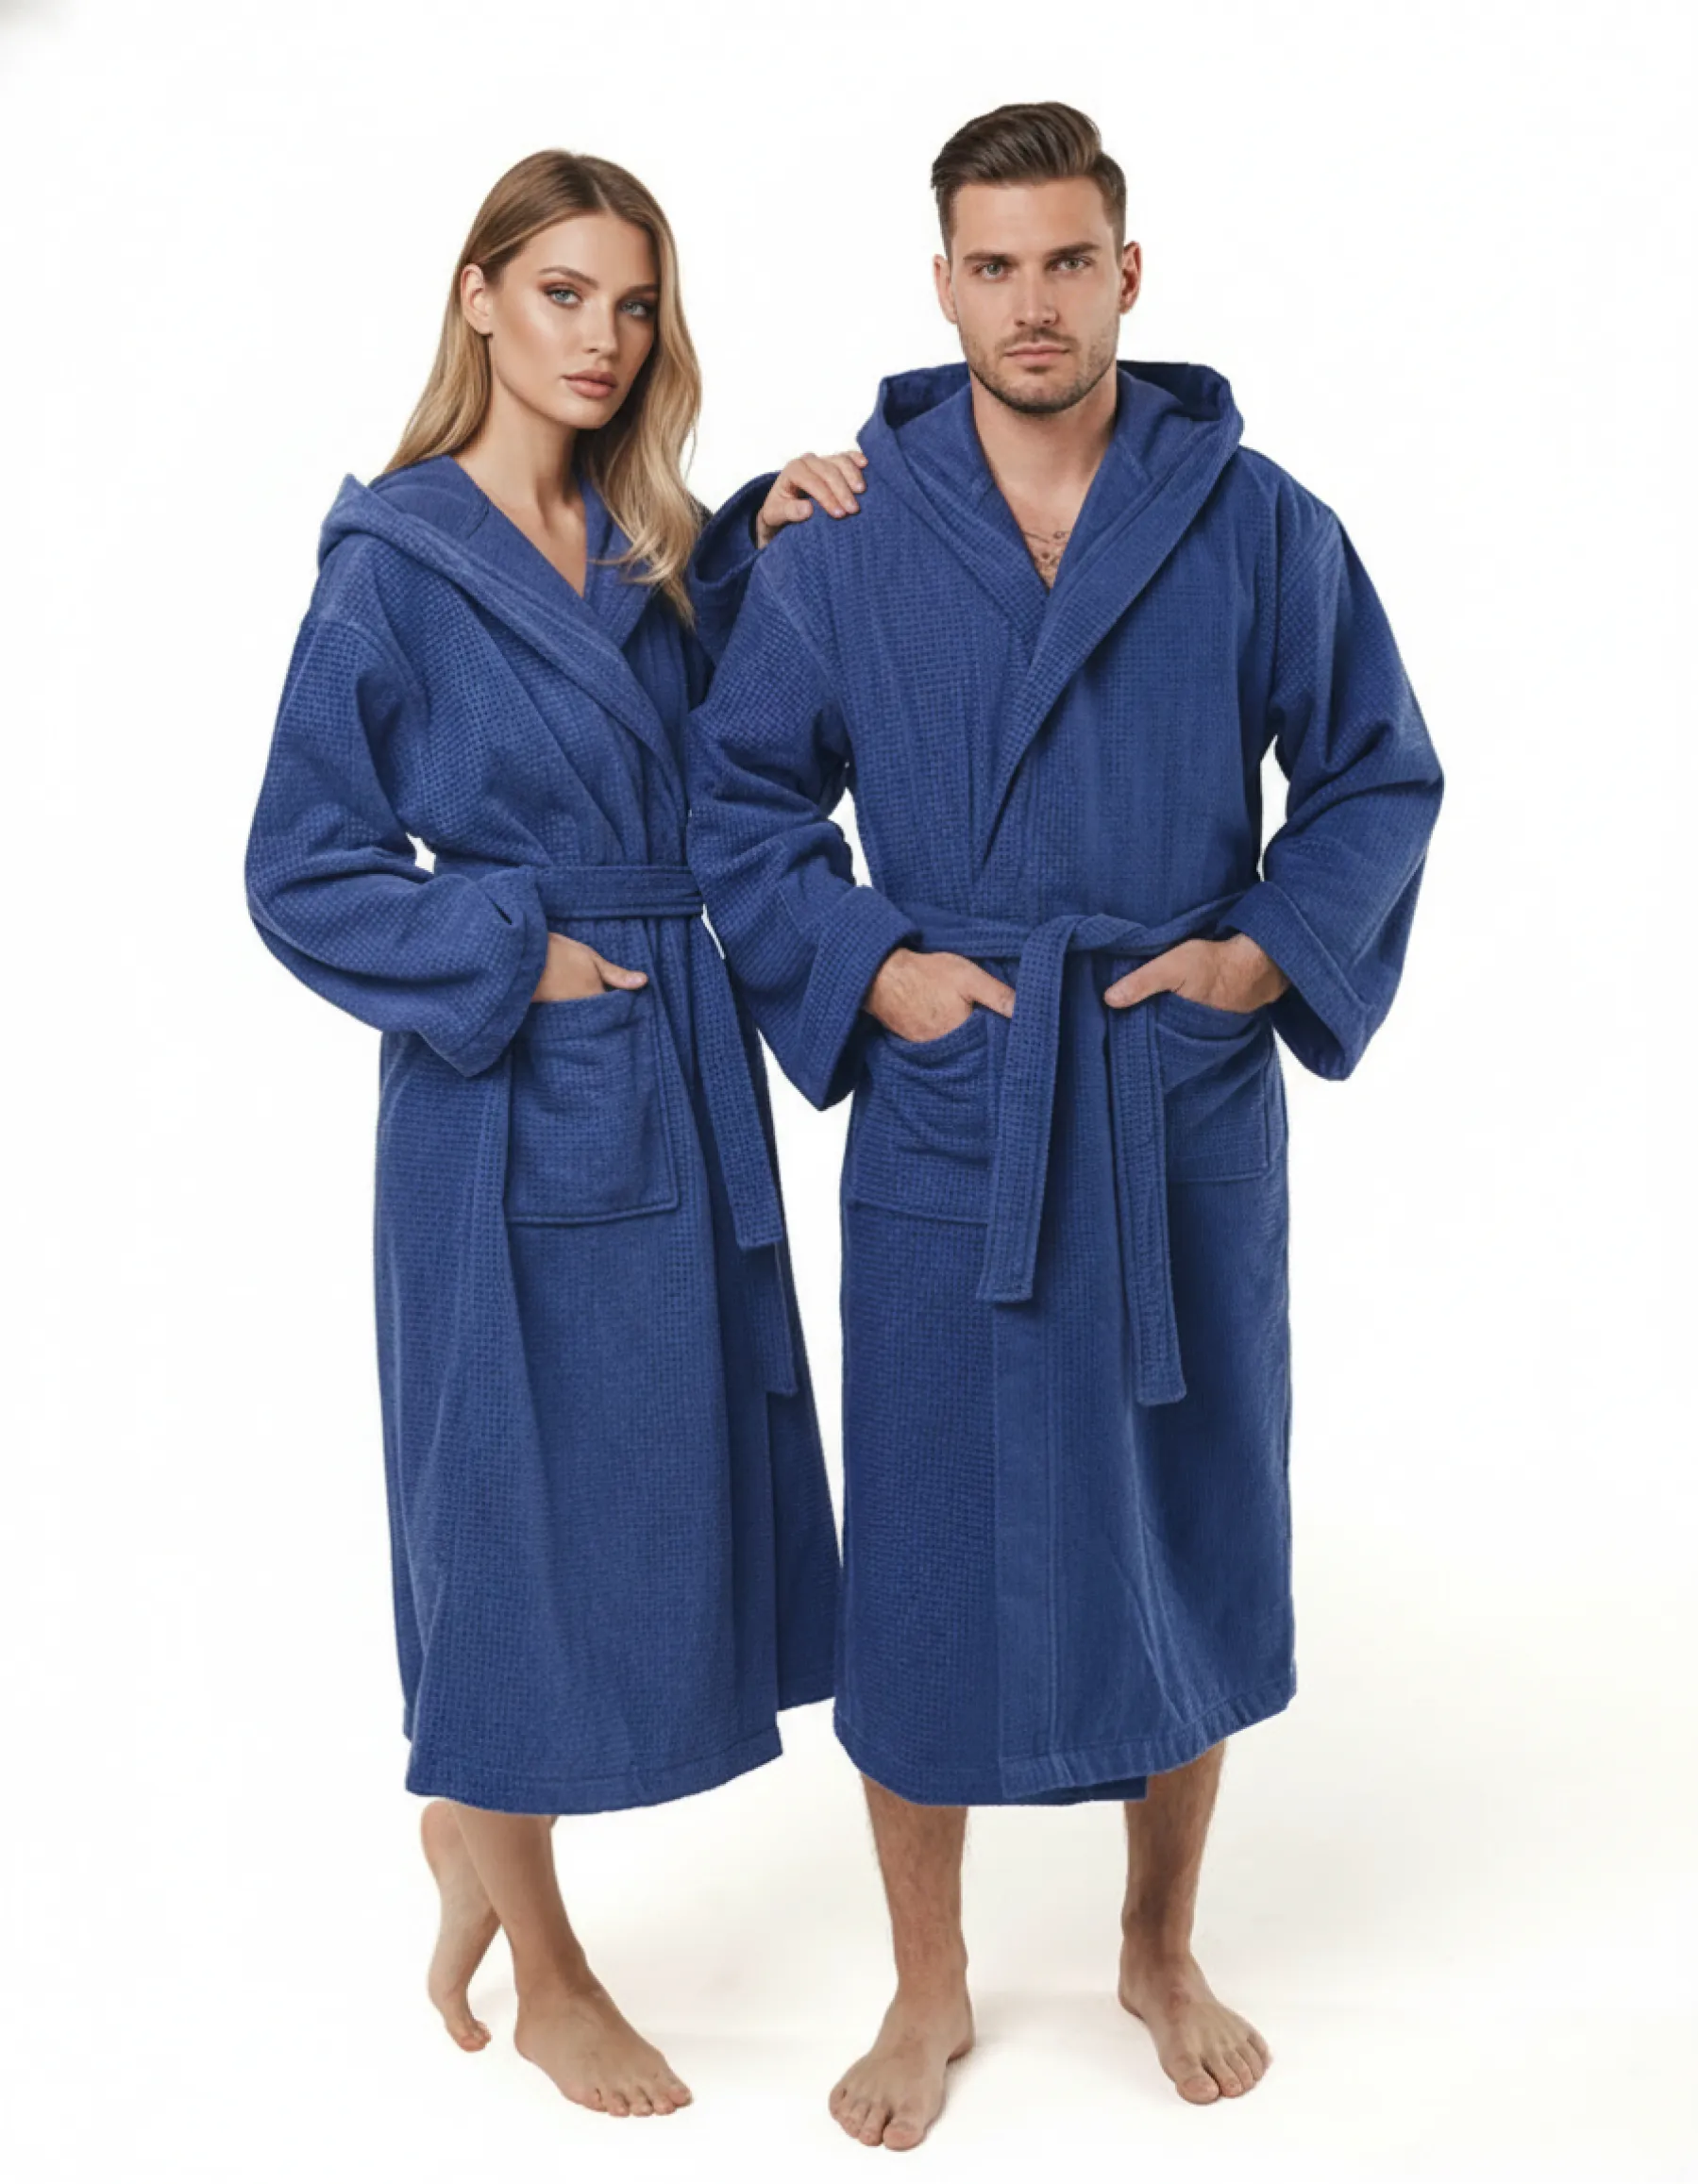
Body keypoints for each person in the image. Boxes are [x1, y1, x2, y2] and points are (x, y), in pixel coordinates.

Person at [687, 101, 1444, 2150]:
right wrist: (876, 974)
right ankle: (927, 1975)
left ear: (1129, 273)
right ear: (942, 285)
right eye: (995, 265)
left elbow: (1376, 770)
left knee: (1183, 1525)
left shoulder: (1255, 521)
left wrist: (1260, 956)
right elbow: (742, 802)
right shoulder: (848, 536)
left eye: (1068, 261)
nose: (1034, 302)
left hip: (1164, 1097)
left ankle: (1158, 1942)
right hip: (962, 1107)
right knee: (926, 1551)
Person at [244, 147, 867, 2121]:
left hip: (670, 1068)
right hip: (507, 1093)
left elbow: (720, 734)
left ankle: (470, 1833)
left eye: (635, 304)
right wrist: (517, 954)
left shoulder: (646, 539)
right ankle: (552, 1967)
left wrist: (771, 527)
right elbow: (300, 869)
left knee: (656, 1492)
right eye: (565, 293)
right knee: (504, 1514)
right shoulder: (395, 565)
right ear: (479, 297)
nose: (605, 338)